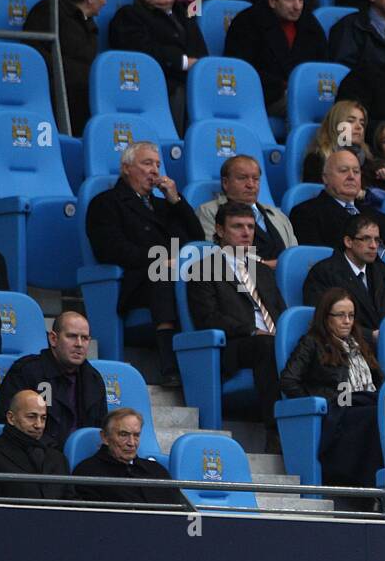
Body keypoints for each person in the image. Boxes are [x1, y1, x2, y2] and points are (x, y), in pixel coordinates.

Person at [85, 141, 202, 386]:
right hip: (136, 282)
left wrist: (176, 200)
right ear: (126, 167)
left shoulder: (165, 206)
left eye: (158, 165)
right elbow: (111, 250)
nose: (155, 170)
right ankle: (170, 366)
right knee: (164, 277)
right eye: (147, 163)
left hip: (179, 275)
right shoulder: (106, 202)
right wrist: (162, 259)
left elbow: (197, 239)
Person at [187, 203, 286, 443]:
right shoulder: (202, 268)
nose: (246, 232)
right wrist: (253, 331)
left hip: (271, 339)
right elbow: (208, 319)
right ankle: (275, 433)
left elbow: (280, 311)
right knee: (267, 347)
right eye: (237, 226)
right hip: (235, 344)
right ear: (220, 231)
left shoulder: (262, 271)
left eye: (250, 227)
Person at [280, 287, 384, 486]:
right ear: (325, 317)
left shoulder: (360, 344)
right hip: (339, 410)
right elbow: (289, 380)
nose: (347, 321)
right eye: (340, 315)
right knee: (375, 416)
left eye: (351, 316)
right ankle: (370, 485)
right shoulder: (312, 342)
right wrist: (319, 402)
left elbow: (380, 381)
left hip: (366, 403)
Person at [0, 312, 106, 450]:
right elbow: (7, 420)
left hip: (81, 462)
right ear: (53, 339)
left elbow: (100, 431)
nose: (79, 344)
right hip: (32, 457)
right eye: (72, 336)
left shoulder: (94, 380)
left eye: (84, 338)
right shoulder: (26, 371)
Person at [108, 0, 207, 133]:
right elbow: (143, 54)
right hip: (157, 87)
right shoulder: (129, 16)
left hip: (192, 83)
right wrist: (183, 62)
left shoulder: (184, 14)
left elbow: (201, 53)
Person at [223, 0, 328, 118]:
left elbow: (321, 66)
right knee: (302, 106)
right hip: (264, 98)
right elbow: (241, 72)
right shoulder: (247, 22)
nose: (297, 6)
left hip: (303, 93)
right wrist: (283, 86)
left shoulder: (310, 24)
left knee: (338, 110)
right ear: (272, 1)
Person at [302, 214, 385, 346]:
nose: (374, 246)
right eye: (366, 239)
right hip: (343, 347)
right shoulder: (324, 273)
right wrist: (370, 336)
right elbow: (324, 319)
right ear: (348, 242)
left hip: (383, 345)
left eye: (377, 240)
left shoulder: (384, 273)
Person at [25, 0, 106, 137]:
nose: (105, 2)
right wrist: (67, 71)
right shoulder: (49, 11)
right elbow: (34, 52)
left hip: (80, 90)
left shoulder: (90, 25)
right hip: (53, 86)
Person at [72, 408, 187, 507]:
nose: (131, 443)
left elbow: (178, 511)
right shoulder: (87, 473)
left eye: (136, 435)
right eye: (123, 435)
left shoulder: (157, 471)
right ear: (105, 437)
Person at [196, 156, 298, 264]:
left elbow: (294, 255)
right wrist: (264, 266)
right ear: (225, 183)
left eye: (255, 179)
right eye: (242, 178)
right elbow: (215, 253)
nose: (251, 185)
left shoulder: (278, 215)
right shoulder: (209, 211)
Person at [291, 148, 385, 250]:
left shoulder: (378, 217)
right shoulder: (306, 213)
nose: (351, 176)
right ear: (325, 178)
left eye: (356, 171)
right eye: (343, 171)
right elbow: (315, 260)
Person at [0, 391, 77, 502]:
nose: (38, 425)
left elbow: (72, 505)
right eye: (31, 417)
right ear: (11, 418)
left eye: (43, 418)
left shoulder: (58, 459)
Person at [301, 100, 375, 185]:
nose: (359, 127)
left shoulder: (367, 159)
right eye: (350, 121)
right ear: (335, 125)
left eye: (362, 123)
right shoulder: (317, 159)